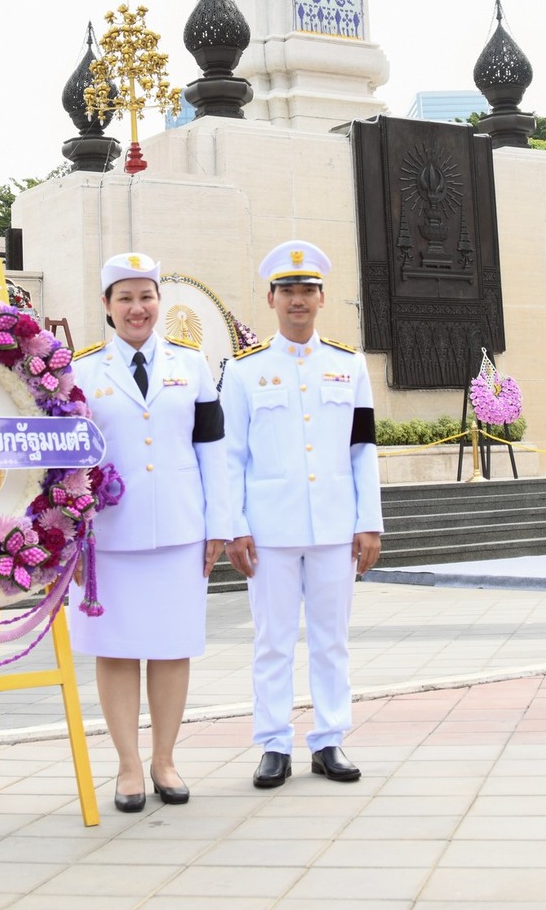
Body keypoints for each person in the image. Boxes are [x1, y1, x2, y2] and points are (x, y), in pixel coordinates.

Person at [68, 252, 231, 813]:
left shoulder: (193, 366)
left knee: (170, 647)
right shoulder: (80, 371)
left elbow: (213, 450)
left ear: (160, 302)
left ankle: (165, 759)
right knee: (114, 650)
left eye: (146, 296)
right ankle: (128, 767)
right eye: (125, 298)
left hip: (181, 529)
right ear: (108, 308)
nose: (138, 308)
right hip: (108, 537)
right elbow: (64, 460)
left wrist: (221, 524)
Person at [220, 240, 381, 787]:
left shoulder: (348, 364)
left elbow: (363, 448)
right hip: (269, 531)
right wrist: (234, 526)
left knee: (331, 637)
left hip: (336, 525)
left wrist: (369, 520)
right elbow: (230, 456)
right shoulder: (243, 372)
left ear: (321, 297)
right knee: (272, 639)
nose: (297, 300)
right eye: (287, 290)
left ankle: (330, 738)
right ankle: (272, 743)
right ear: (270, 299)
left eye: (307, 290)